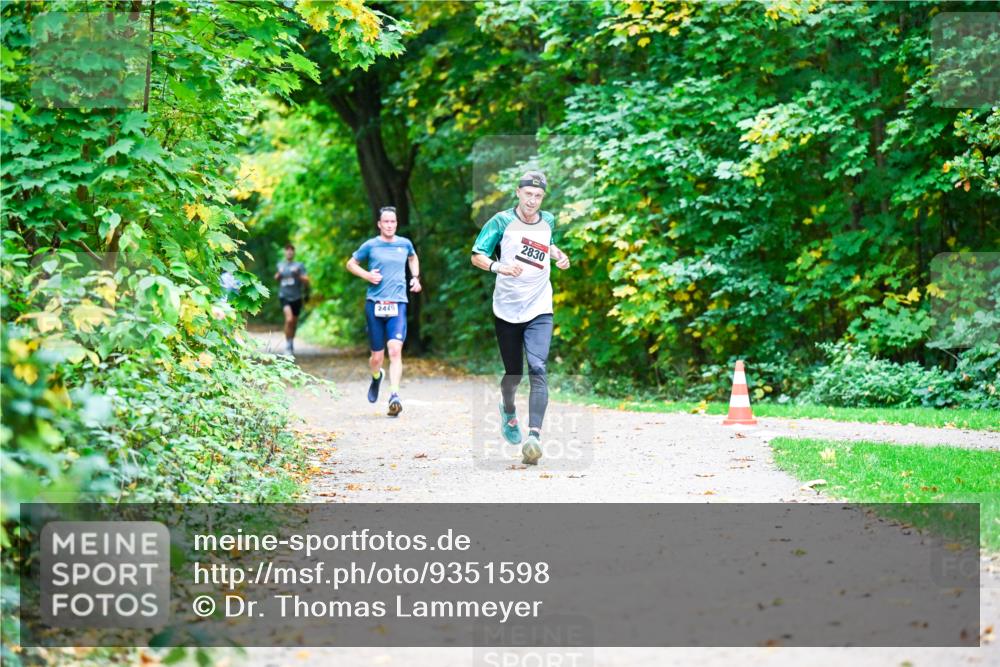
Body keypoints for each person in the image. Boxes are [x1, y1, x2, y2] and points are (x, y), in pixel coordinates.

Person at [470, 171, 570, 465]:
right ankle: (508, 409)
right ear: (518, 192)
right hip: (507, 308)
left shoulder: (548, 220)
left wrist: (559, 255)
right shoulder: (500, 221)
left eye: (538, 196)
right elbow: (477, 255)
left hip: (539, 306)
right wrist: (498, 267)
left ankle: (534, 437)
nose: (532, 201)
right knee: (513, 373)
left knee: (538, 367)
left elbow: (547, 244)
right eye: (528, 194)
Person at [346, 206, 421, 416]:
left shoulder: (404, 244)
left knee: (395, 350)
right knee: (377, 358)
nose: (389, 225)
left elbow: (413, 257)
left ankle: (394, 395)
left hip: (398, 303)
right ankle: (376, 376)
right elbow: (351, 264)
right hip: (375, 305)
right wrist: (367, 275)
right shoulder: (371, 245)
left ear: (396, 223)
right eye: (386, 221)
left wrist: (415, 278)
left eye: (393, 221)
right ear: (379, 224)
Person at [275, 244, 309, 356]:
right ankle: (288, 345)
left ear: (294, 253)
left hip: (297, 297)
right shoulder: (280, 265)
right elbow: (276, 278)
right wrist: (279, 274)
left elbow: (306, 280)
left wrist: (298, 274)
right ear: (285, 252)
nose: (289, 252)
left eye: (291, 250)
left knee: (294, 323)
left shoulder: (299, 265)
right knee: (289, 320)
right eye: (287, 250)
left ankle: (291, 342)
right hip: (284, 296)